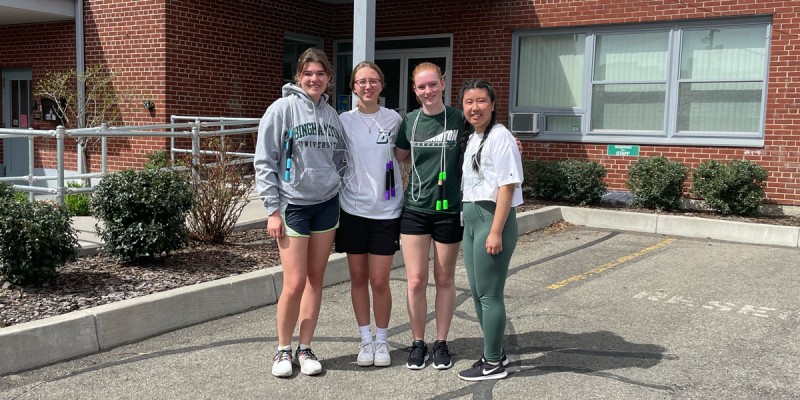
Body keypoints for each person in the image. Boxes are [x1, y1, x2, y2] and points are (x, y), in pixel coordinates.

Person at [253, 47, 346, 378]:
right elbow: (264, 161)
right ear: (298, 77)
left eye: (320, 74)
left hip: (325, 207)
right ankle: (282, 349)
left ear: (329, 79)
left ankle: (305, 348)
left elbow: (341, 158)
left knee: (316, 279)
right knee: (294, 282)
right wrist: (272, 210)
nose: (314, 79)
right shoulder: (281, 109)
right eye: (308, 73)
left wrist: (337, 183)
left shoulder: (332, 116)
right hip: (293, 206)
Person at [394, 62, 464, 370]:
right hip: (416, 210)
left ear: (443, 84)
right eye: (421, 87)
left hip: (449, 210)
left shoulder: (459, 118)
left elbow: (486, 137)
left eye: (433, 84)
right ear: (415, 90)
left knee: (445, 278)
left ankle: (441, 343)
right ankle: (418, 343)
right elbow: (398, 157)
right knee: (416, 280)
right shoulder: (409, 121)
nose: (428, 91)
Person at [336, 61, 403, 367]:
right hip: (353, 209)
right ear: (353, 87)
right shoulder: (343, 121)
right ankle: (365, 340)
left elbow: (409, 151)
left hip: (386, 210)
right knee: (358, 278)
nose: (367, 86)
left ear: (381, 85)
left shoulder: (393, 119)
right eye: (361, 81)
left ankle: (383, 340)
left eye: (373, 81)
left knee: (380, 281)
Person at [457, 79, 523, 381]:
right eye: (469, 102)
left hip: (490, 221)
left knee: (489, 295)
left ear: (493, 105)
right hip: (471, 222)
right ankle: (494, 352)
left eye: (481, 101)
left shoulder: (501, 136)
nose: (475, 107)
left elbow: (508, 185)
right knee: (477, 292)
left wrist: (496, 231)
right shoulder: (474, 137)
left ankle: (493, 362)